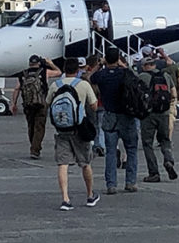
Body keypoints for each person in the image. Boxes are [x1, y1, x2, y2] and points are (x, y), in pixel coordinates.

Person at [45, 57, 100, 210]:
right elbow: (94, 106)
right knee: (85, 163)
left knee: (63, 164)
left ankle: (65, 198)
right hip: (79, 128)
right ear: (77, 70)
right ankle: (90, 195)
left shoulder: (56, 85)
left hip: (62, 129)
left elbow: (48, 102)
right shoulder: (83, 85)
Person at [90, 46, 139, 194]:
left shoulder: (102, 75)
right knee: (131, 149)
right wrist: (121, 64)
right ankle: (130, 182)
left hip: (110, 114)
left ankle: (111, 184)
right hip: (126, 115)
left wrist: (100, 64)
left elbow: (90, 77)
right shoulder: (125, 73)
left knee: (110, 151)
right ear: (118, 59)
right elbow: (136, 78)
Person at [11, 54, 61, 159]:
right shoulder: (44, 72)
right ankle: (35, 149)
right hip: (41, 103)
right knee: (39, 127)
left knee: (31, 126)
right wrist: (50, 63)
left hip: (27, 103)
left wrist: (13, 103)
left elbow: (16, 89)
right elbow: (59, 72)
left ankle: (33, 145)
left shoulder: (23, 74)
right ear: (38, 63)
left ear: (29, 63)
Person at [139, 54, 178, 183]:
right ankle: (168, 160)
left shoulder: (142, 77)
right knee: (165, 140)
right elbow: (173, 94)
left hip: (149, 114)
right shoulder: (166, 76)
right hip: (164, 113)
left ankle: (154, 172)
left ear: (145, 66)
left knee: (147, 144)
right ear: (154, 65)